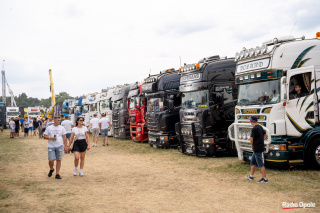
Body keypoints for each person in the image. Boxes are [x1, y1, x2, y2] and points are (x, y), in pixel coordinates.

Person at [246, 116, 268, 183]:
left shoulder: (254, 128)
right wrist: (261, 140)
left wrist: (252, 146)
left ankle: (265, 179)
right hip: (259, 146)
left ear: (252, 121)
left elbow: (251, 139)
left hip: (256, 148)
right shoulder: (260, 127)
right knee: (252, 161)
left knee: (260, 163)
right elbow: (266, 135)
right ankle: (251, 176)